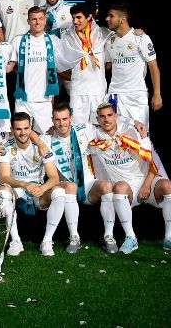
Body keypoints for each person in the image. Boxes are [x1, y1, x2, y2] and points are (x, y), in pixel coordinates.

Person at [87, 103, 171, 255]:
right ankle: (131, 238)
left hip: (147, 182)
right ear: (97, 119)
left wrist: (146, 185)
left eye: (109, 115)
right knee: (119, 186)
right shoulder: (94, 138)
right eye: (102, 116)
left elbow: (153, 162)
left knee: (169, 186)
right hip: (127, 189)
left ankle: (169, 238)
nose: (106, 119)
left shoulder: (132, 133)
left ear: (116, 116)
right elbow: (71, 131)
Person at [47, 103, 119, 254]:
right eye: (57, 119)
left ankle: (109, 236)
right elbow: (29, 137)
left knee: (107, 186)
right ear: (52, 120)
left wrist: (134, 122)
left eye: (65, 119)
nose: (62, 123)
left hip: (87, 183)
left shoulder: (84, 129)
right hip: (65, 185)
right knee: (70, 186)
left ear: (71, 118)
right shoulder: (47, 138)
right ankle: (74, 237)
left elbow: (108, 124)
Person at [0, 112, 65, 256]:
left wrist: (43, 188)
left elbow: (54, 177)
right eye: (18, 129)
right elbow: (4, 177)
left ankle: (47, 241)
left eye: (26, 128)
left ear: (31, 128)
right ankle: (16, 241)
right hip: (17, 188)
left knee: (59, 192)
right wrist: (23, 184)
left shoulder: (42, 146)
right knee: (3, 192)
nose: (23, 133)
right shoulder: (5, 147)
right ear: (12, 129)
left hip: (38, 189)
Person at [104, 1, 162, 128]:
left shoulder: (141, 38)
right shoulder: (110, 40)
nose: (107, 18)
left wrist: (157, 94)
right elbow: (107, 66)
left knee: (139, 134)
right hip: (115, 94)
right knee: (117, 135)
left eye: (111, 16)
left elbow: (153, 66)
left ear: (122, 19)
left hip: (136, 95)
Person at [8, 6, 61, 134]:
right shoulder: (18, 40)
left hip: (44, 99)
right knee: (20, 135)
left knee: (47, 137)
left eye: (40, 19)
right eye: (34, 19)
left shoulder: (54, 41)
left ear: (45, 20)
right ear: (28, 21)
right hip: (23, 99)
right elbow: (10, 67)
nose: (37, 22)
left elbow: (62, 66)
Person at [58, 4, 112, 124]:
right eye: (73, 18)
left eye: (79, 17)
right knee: (78, 128)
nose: (75, 21)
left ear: (89, 17)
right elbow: (59, 66)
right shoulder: (67, 38)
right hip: (78, 91)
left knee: (99, 127)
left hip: (98, 90)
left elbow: (109, 62)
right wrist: (74, 78)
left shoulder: (102, 34)